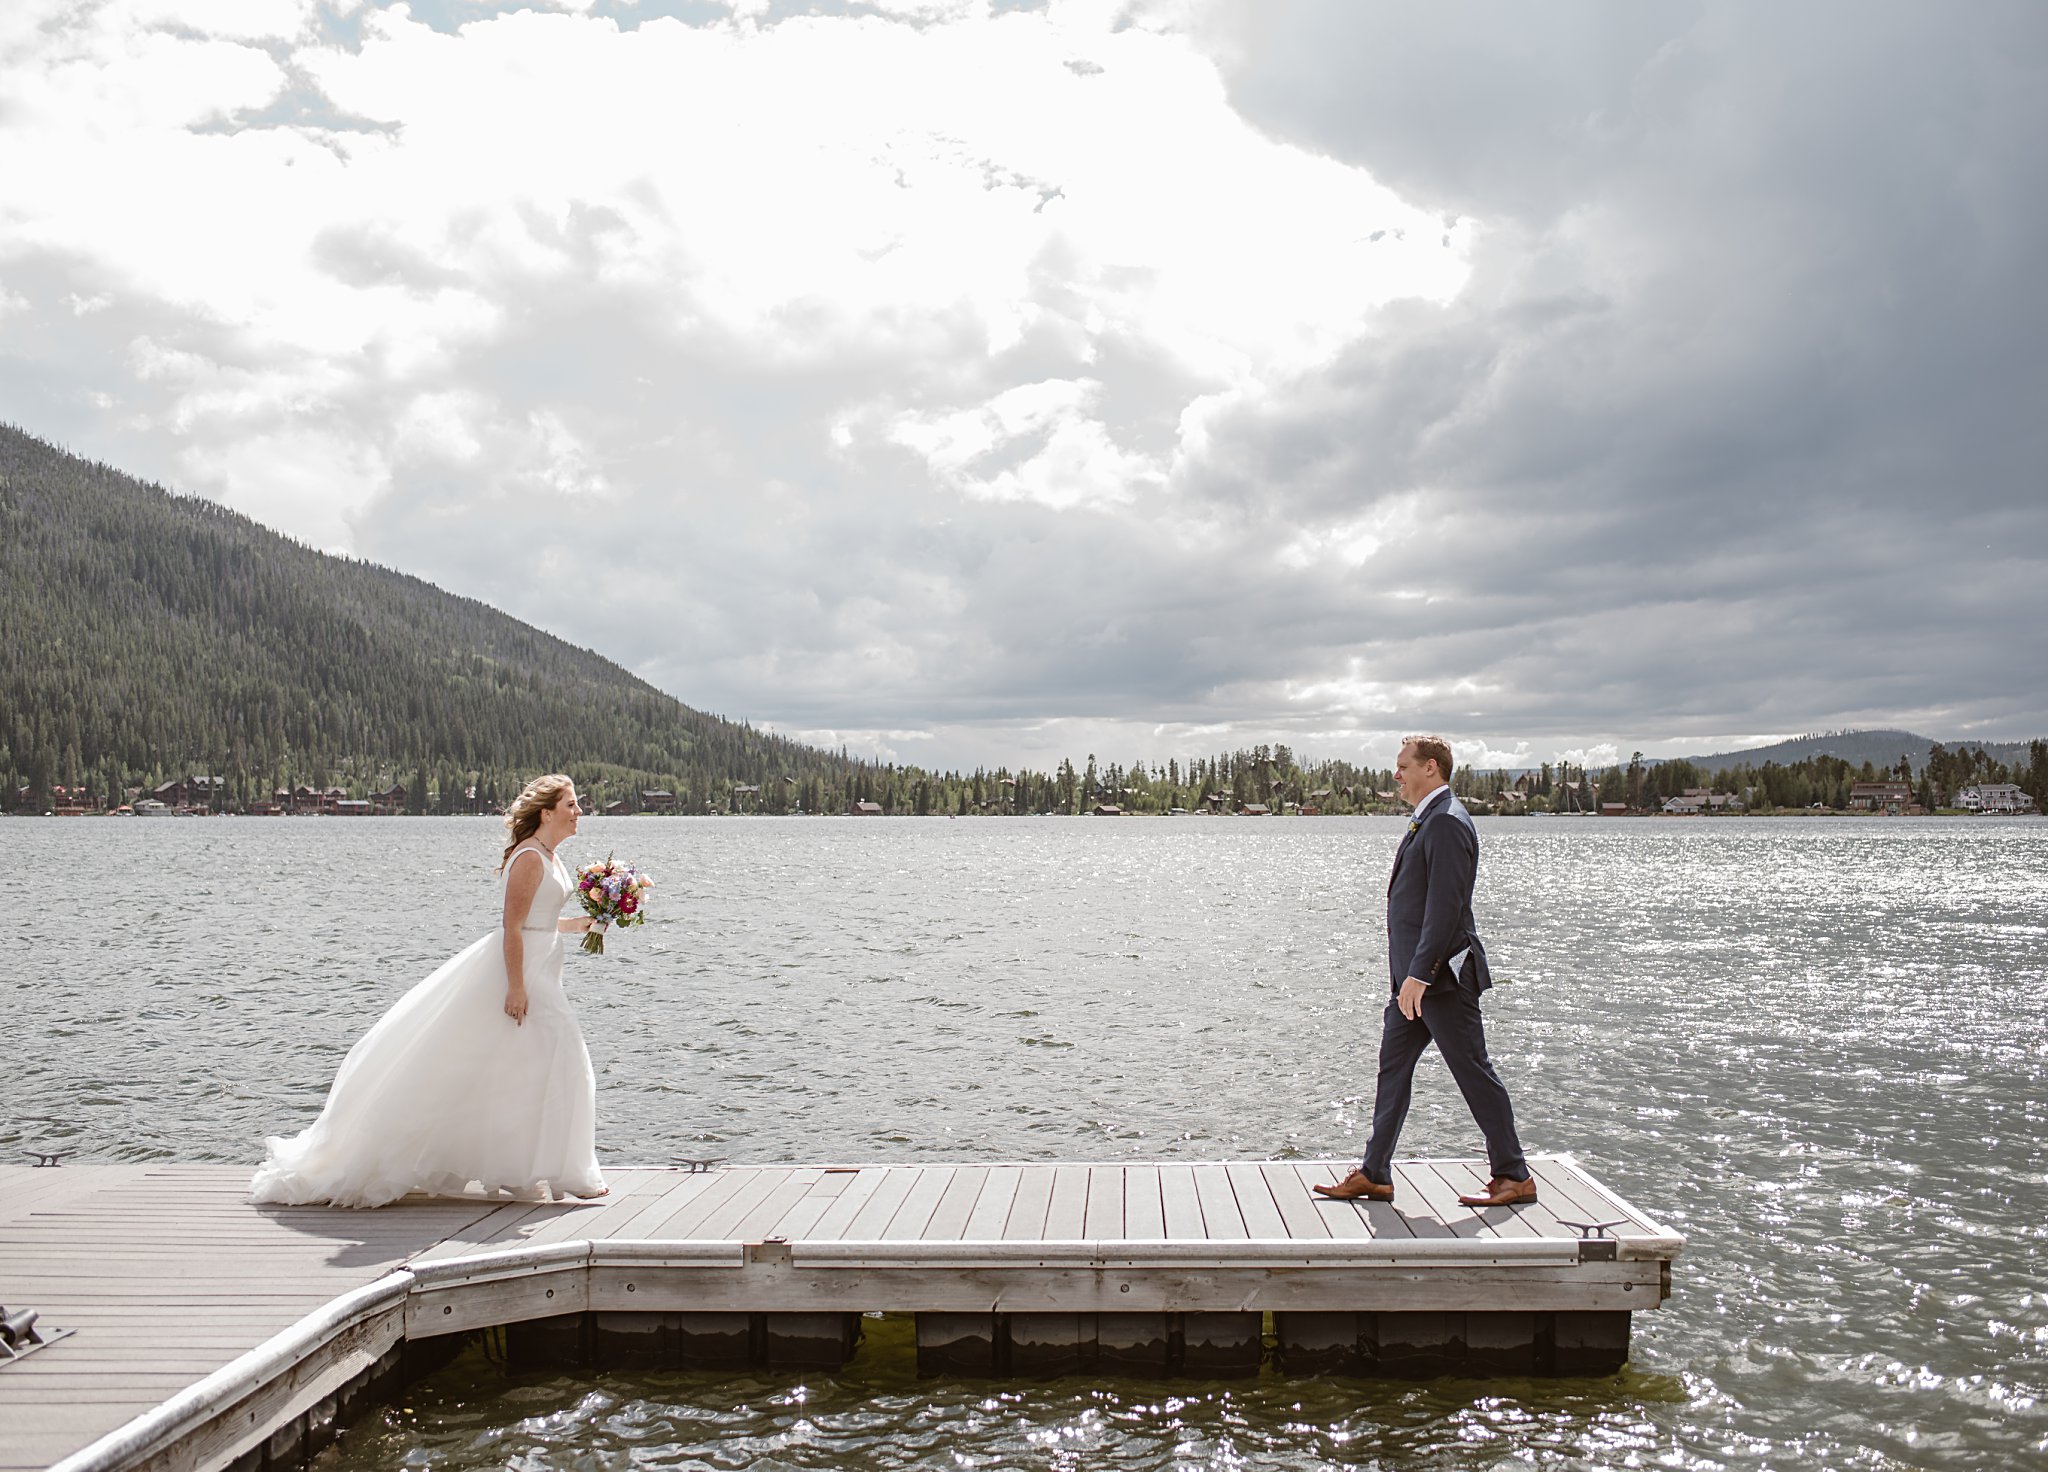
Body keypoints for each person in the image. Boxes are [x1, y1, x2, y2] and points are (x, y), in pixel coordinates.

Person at [250, 774, 608, 1208]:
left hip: (542, 967)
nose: (579, 812)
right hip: (523, 972)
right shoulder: (531, 858)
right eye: (571, 805)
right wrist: (515, 987)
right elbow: (512, 927)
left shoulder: (550, 856)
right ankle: (573, 1174)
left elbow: (541, 922)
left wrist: (585, 924)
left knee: (523, 1068)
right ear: (547, 812)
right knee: (567, 1060)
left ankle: (523, 1169)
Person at [1315, 736, 1534, 1208]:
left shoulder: (1448, 823)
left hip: (1441, 981)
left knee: (1473, 1071)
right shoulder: (1429, 818)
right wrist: (1406, 978)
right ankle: (1375, 1173)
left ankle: (1513, 1175)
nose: (1395, 775)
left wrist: (1421, 975)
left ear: (1430, 768)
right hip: (1411, 983)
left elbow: (1446, 910)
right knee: (1392, 1069)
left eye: (1402, 766)